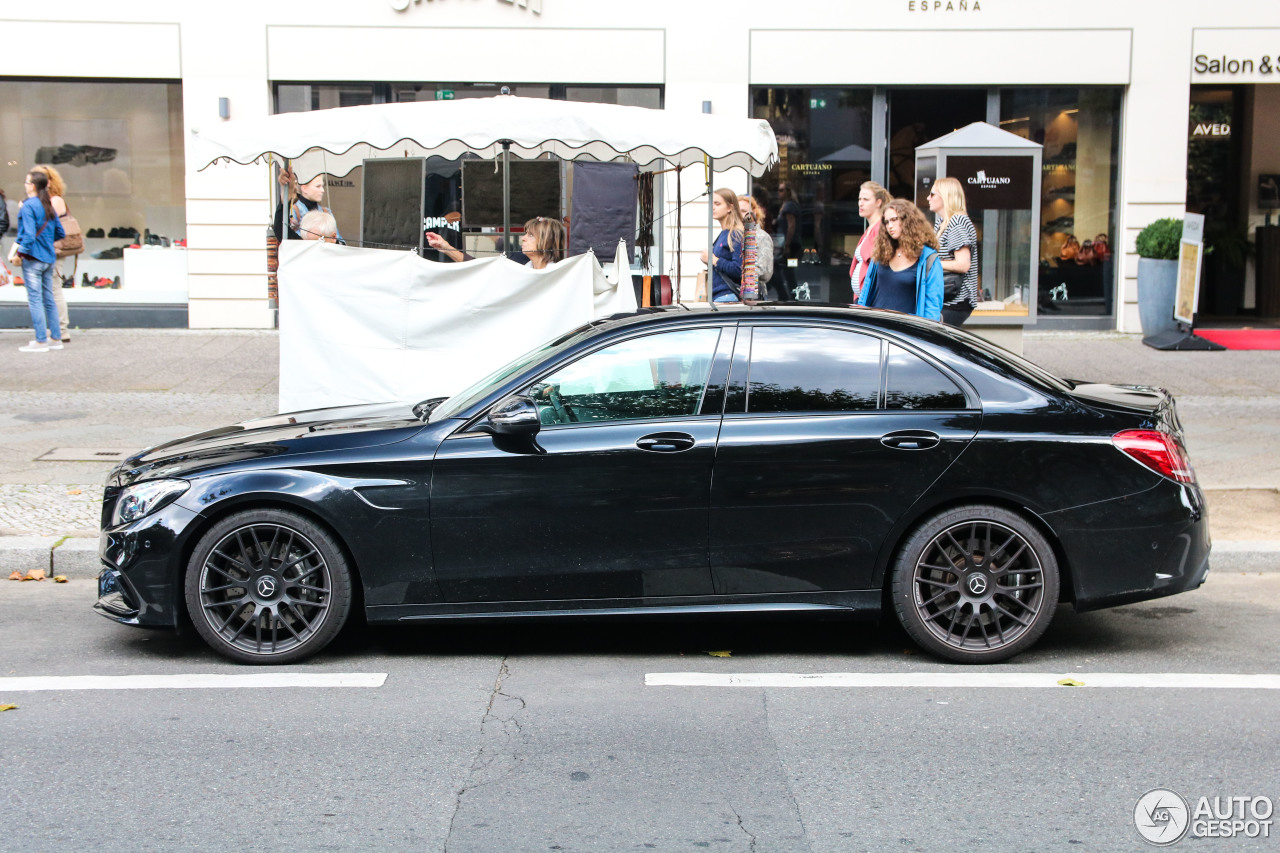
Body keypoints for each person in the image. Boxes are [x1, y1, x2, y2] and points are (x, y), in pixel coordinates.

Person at [857, 198, 943, 322]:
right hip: (876, 326)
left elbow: (932, 307)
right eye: (886, 222)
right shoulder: (881, 252)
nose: (890, 226)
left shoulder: (928, 258)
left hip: (904, 332)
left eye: (894, 220)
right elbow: (865, 292)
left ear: (908, 220)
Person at [7, 170, 65, 352]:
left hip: (33, 259)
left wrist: (19, 254)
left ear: (32, 186)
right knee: (49, 298)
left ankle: (41, 341)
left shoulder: (28, 206)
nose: (25, 185)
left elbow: (29, 235)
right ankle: (56, 338)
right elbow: (60, 233)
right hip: (49, 258)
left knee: (35, 299)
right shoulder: (47, 204)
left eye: (26, 182)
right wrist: (46, 242)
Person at [927, 176, 979, 326]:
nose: (928, 198)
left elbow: (963, 264)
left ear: (946, 197)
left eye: (932, 194)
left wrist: (932, 263)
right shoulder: (942, 222)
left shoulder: (957, 222)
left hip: (956, 300)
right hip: (945, 297)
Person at [31, 165, 74, 341]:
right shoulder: (44, 200)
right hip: (45, 249)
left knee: (54, 288)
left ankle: (62, 329)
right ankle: (56, 328)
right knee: (48, 289)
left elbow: (46, 223)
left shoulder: (55, 200)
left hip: (54, 249)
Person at [426, 216, 566, 269]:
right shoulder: (518, 261)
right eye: (525, 234)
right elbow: (482, 268)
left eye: (530, 236)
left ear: (546, 241)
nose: (523, 238)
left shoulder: (560, 273)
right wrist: (447, 248)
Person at [698, 188, 745, 303]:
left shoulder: (735, 234)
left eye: (717, 204)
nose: (713, 207)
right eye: (712, 203)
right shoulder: (725, 234)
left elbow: (738, 269)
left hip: (727, 296)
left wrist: (713, 259)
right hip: (720, 296)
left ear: (730, 207)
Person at [273, 170, 344, 244]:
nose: (322, 190)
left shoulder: (327, 212)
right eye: (318, 186)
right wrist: (286, 195)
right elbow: (281, 231)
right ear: (304, 188)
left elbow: (340, 242)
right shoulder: (294, 210)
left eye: (322, 186)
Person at [850, 181, 891, 303]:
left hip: (872, 298)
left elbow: (875, 261)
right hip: (863, 297)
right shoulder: (870, 228)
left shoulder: (880, 228)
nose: (860, 203)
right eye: (859, 199)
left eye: (866, 199)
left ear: (878, 202)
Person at [738, 194, 774, 299]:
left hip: (754, 295)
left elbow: (764, 272)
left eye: (744, 211)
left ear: (753, 213)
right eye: (737, 211)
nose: (741, 215)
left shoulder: (761, 237)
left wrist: (737, 270)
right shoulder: (733, 236)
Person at [772, 182, 800, 300]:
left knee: (786, 271)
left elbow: (791, 225)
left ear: (788, 191)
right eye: (778, 190)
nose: (779, 193)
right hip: (788, 244)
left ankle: (791, 297)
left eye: (781, 190)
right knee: (786, 271)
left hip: (789, 245)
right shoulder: (786, 205)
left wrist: (787, 245)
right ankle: (790, 296)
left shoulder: (789, 206)